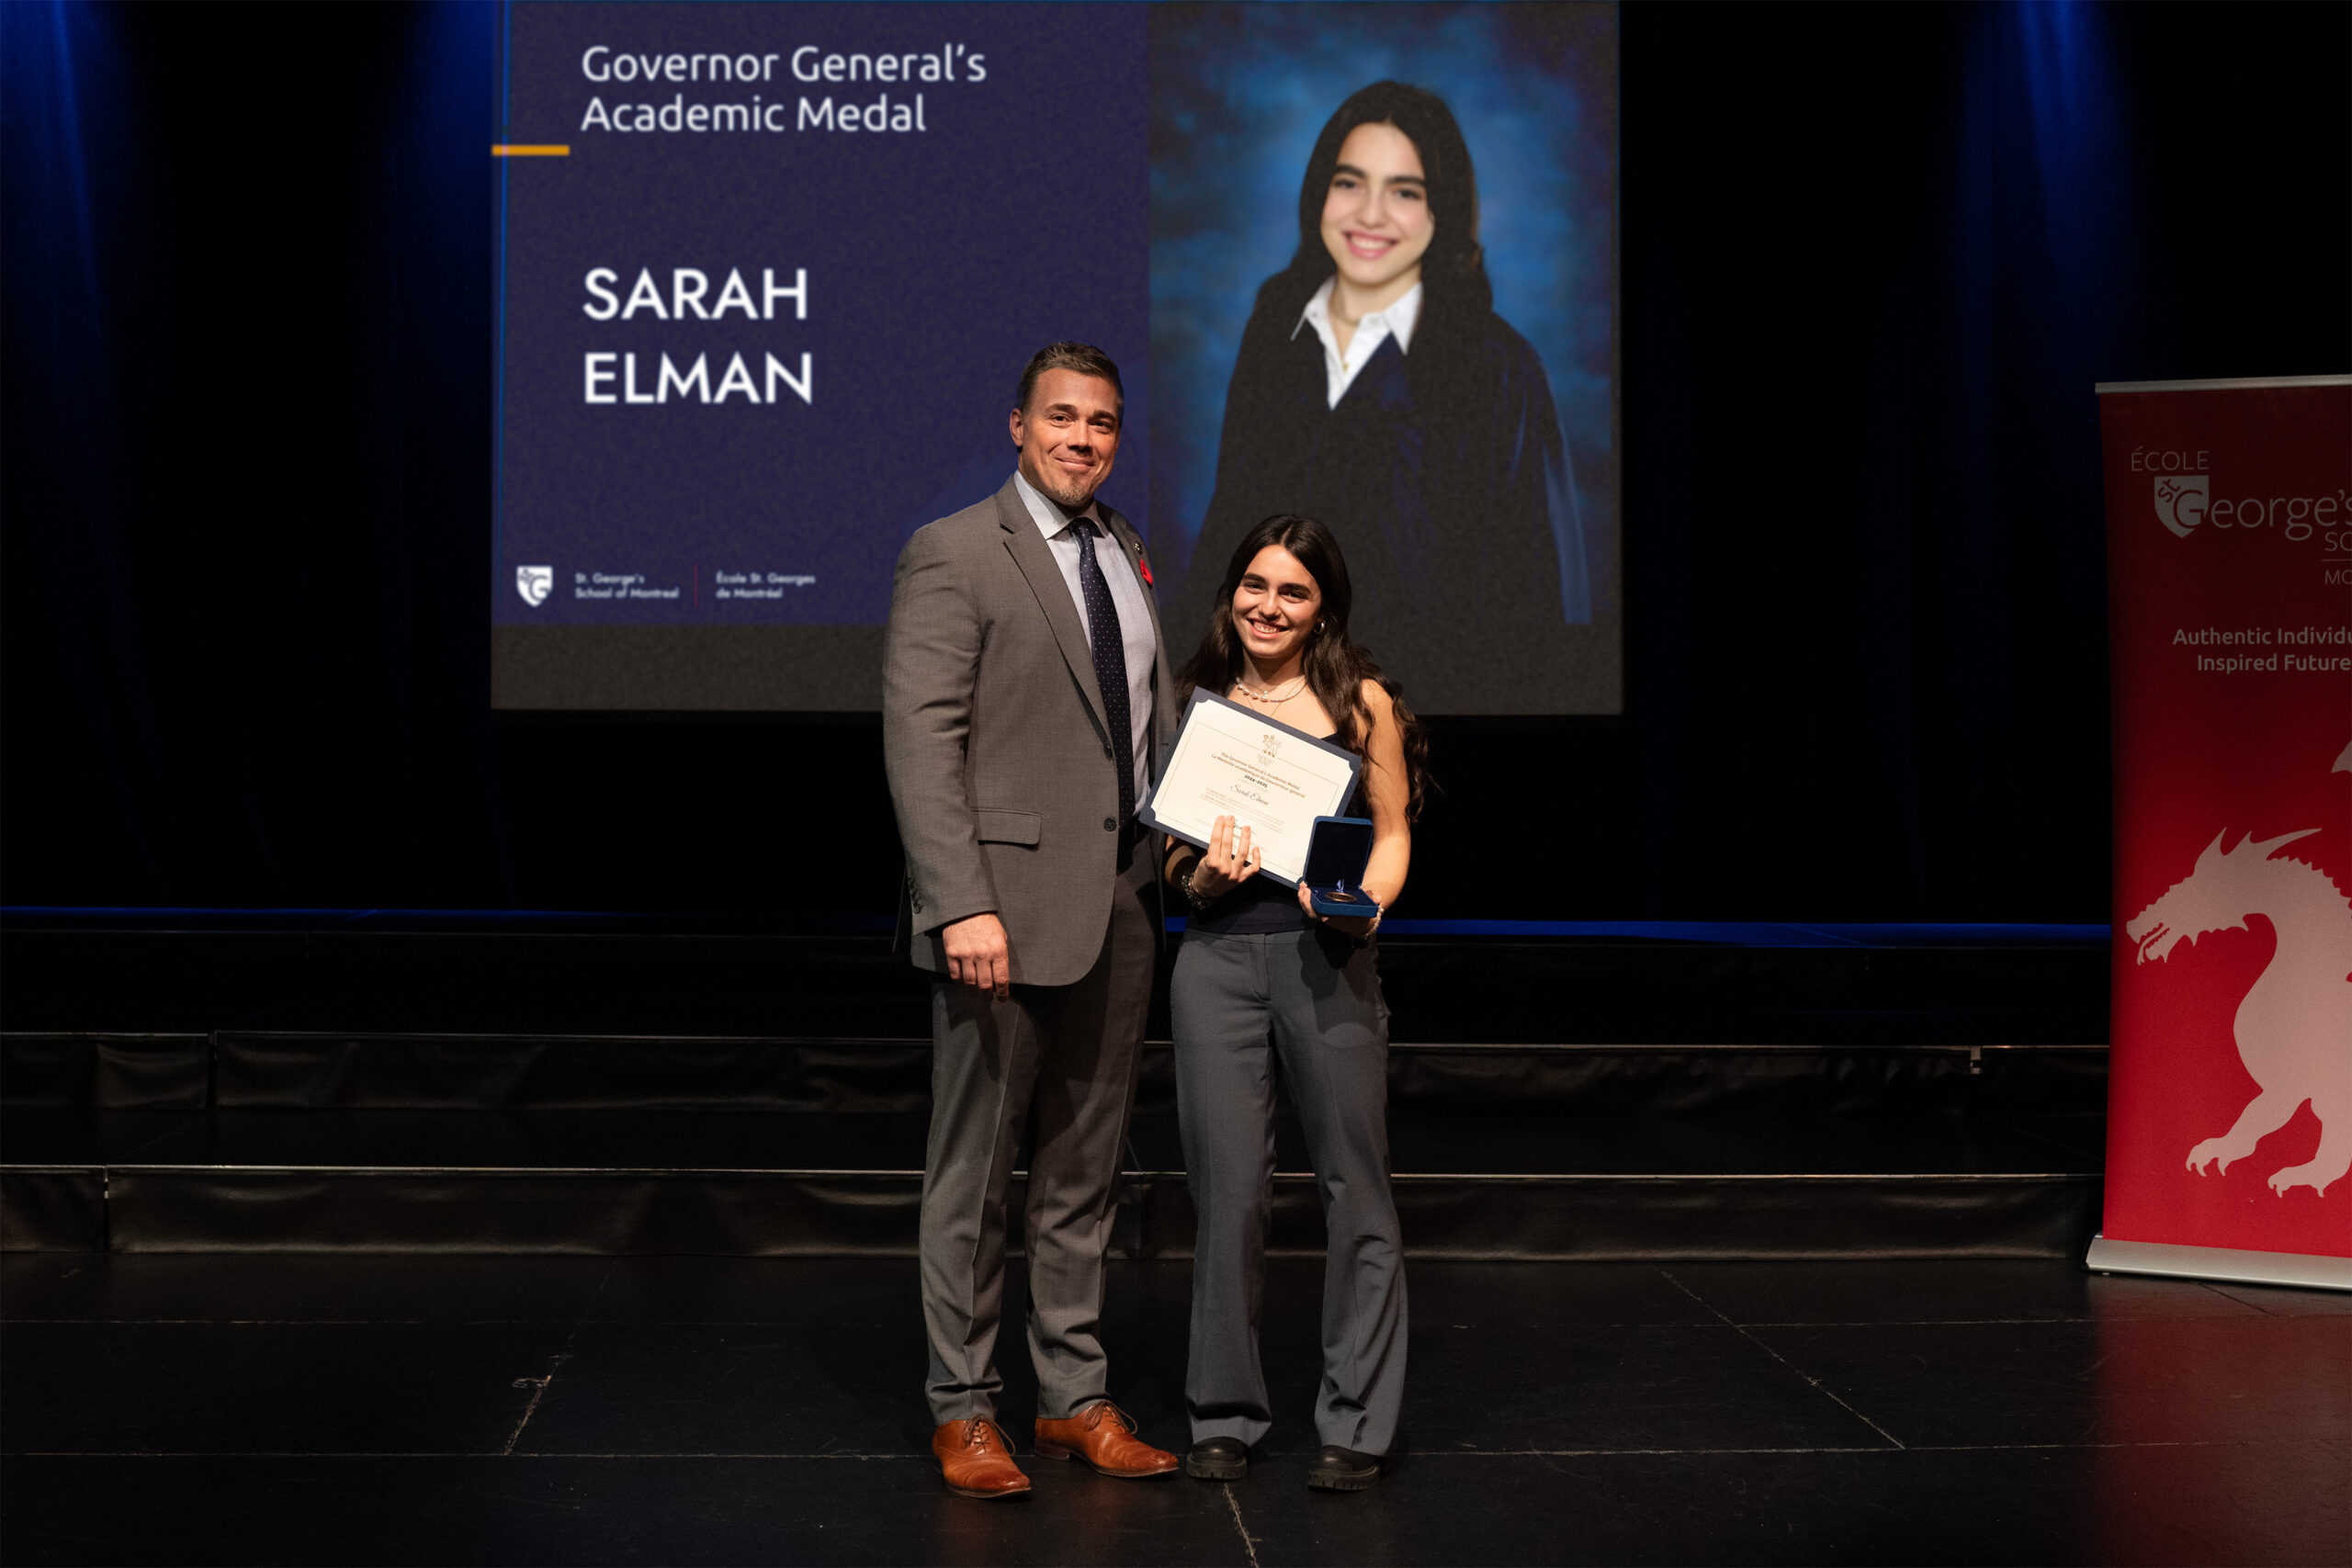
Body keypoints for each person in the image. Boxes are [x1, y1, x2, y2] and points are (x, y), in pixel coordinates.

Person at [883, 342, 1181, 1500]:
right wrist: (959, 900)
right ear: (1018, 426)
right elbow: (921, 744)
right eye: (1061, 419)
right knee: (975, 1173)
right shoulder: (953, 550)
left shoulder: (1127, 552)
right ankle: (963, 1409)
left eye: (1102, 424)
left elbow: (1138, 737)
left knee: (1082, 1172)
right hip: (995, 919)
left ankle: (1071, 1397)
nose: (1083, 440)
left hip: (1121, 906)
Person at [1162, 513, 1432, 1493]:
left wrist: (1368, 907)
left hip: (1327, 961)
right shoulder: (1193, 700)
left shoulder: (1361, 704)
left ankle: (1357, 1422)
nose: (1267, 607)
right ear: (1230, 590)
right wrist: (1199, 882)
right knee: (1227, 1197)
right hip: (1216, 966)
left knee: (1354, 1189)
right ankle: (1222, 1414)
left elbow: (1394, 834)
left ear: (1322, 608)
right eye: (1254, 585)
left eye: (1293, 592)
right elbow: (1173, 854)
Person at [1174, 81, 1589, 705]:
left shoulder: (1498, 367)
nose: (1370, 214)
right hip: (1259, 709)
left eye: (1404, 191)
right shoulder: (1277, 321)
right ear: (1321, 192)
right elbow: (1230, 518)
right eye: (1349, 182)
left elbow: (1530, 591)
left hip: (1417, 716)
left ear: (1439, 210)